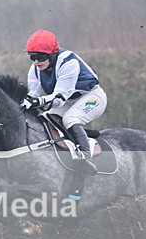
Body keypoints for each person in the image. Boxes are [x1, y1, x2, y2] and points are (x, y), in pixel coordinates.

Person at [21, 29, 107, 175]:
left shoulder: (68, 62)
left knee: (70, 118)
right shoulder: (35, 69)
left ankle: (86, 159)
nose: (36, 61)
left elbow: (60, 98)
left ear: (53, 54)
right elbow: (32, 94)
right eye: (32, 57)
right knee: (46, 118)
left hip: (91, 97)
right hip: (69, 101)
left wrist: (37, 101)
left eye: (41, 56)